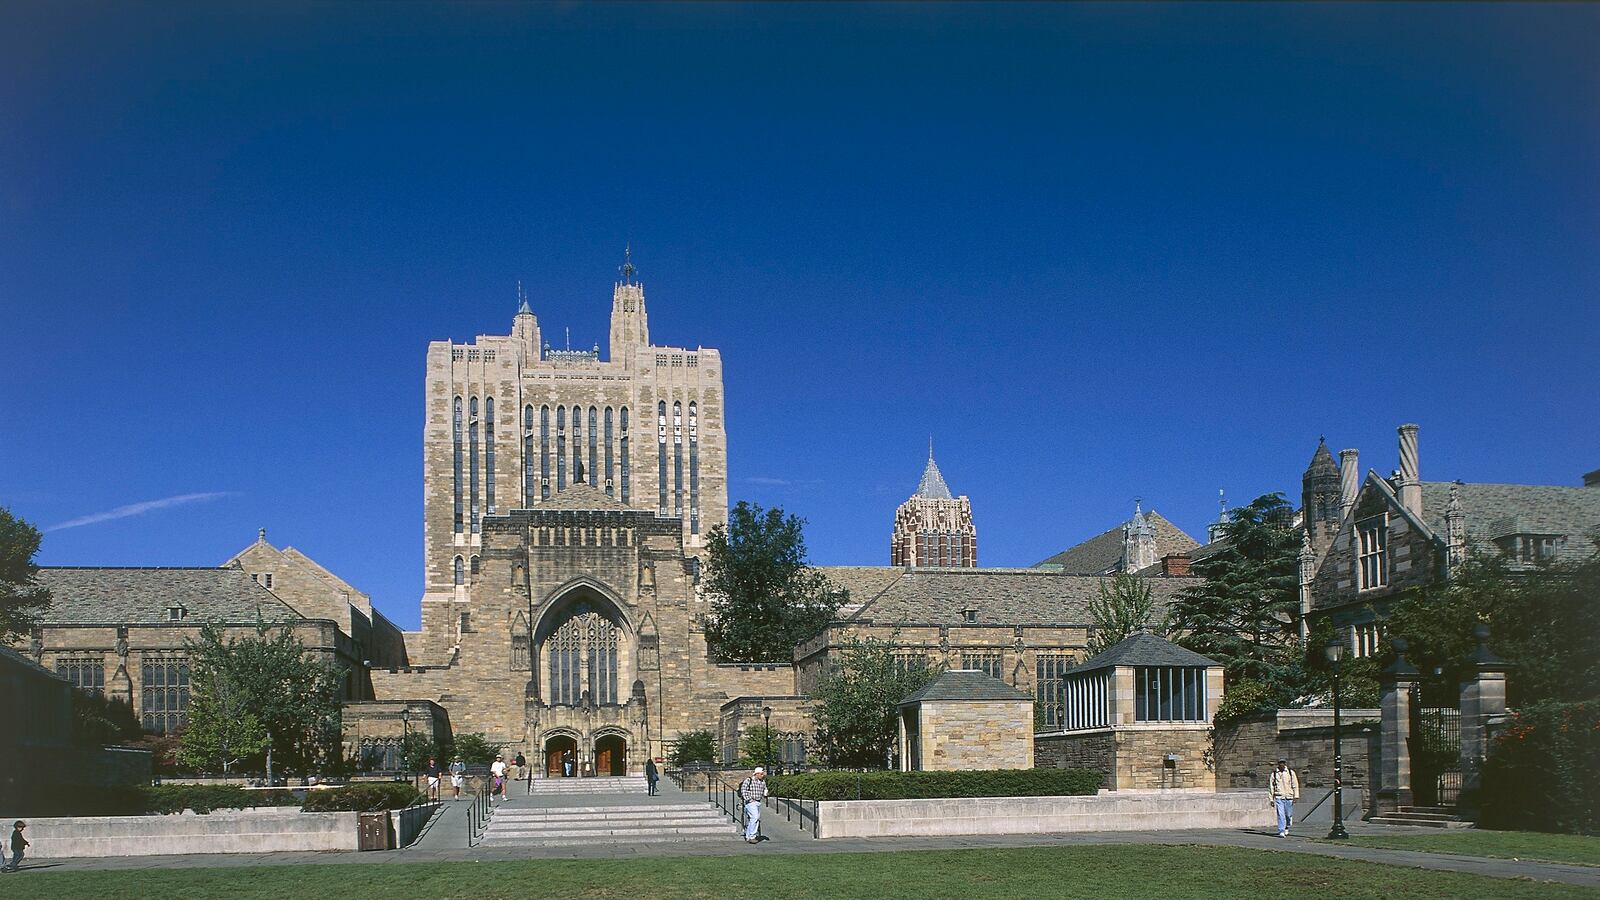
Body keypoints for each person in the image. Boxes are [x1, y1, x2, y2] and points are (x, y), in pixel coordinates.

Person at [1269, 758, 1300, 837]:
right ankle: (1281, 830)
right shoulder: (1274, 774)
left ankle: (1287, 826)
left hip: (1289, 797)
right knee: (1281, 814)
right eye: (1280, 763)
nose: (1281, 764)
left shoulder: (1290, 772)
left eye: (1283, 763)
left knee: (1288, 814)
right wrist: (1271, 799)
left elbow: (1295, 785)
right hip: (1279, 796)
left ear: (1285, 764)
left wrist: (1296, 796)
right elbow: (1271, 787)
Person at [739, 767, 767, 844]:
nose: (762, 775)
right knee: (755, 817)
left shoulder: (762, 782)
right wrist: (748, 799)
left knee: (753, 819)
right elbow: (743, 790)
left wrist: (765, 794)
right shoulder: (749, 780)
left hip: (758, 802)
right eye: (761, 774)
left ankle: (748, 836)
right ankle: (752, 836)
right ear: (756, 774)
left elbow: (765, 789)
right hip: (751, 802)